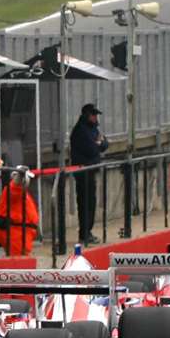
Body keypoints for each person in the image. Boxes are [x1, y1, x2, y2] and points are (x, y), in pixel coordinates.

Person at [69, 103, 108, 246]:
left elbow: (104, 144)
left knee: (91, 203)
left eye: (96, 115)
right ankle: (84, 234)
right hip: (82, 171)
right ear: (87, 115)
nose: (95, 117)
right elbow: (92, 149)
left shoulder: (93, 129)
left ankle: (88, 232)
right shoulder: (80, 130)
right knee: (85, 203)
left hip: (91, 170)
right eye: (93, 114)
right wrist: (98, 143)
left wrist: (99, 143)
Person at [0, 166, 41, 256]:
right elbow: (15, 187)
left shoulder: (20, 192)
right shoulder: (14, 190)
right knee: (17, 264)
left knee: (19, 263)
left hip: (21, 234)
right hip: (16, 235)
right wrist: (20, 175)